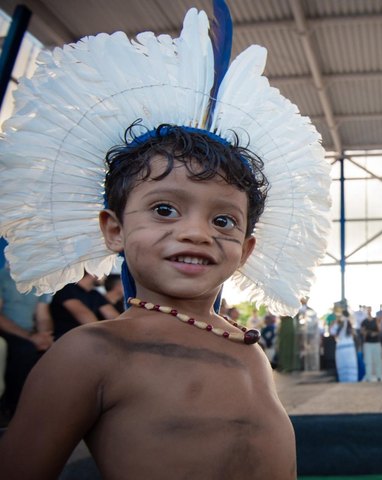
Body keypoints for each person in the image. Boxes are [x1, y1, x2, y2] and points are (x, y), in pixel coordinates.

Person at [0, 3, 330, 478]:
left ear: (247, 250)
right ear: (113, 228)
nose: (197, 231)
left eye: (223, 221)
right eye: (164, 209)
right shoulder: (89, 354)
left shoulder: (248, 348)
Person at [0, 265, 54, 419]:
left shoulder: (38, 281)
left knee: (56, 349)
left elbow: (43, 316)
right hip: (7, 332)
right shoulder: (2, 278)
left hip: (30, 334)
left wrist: (45, 336)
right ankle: (15, 409)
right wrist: (31, 338)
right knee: (24, 350)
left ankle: (43, 406)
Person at [50, 273, 121, 340]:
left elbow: (113, 316)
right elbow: (84, 315)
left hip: (87, 338)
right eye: (104, 272)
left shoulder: (95, 294)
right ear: (93, 271)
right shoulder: (67, 289)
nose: (106, 276)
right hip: (65, 339)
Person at [331, 311, 357, 383]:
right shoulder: (341, 323)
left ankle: (350, 380)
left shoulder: (349, 322)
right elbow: (332, 332)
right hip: (343, 346)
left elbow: (333, 332)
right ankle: (347, 380)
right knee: (345, 363)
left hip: (346, 346)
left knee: (348, 363)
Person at [360, 309, 382, 382]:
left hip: (376, 342)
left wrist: (378, 323)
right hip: (368, 343)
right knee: (368, 361)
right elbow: (362, 332)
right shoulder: (364, 321)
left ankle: (379, 376)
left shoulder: (376, 320)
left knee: (378, 360)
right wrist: (368, 333)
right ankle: (368, 377)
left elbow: (380, 330)